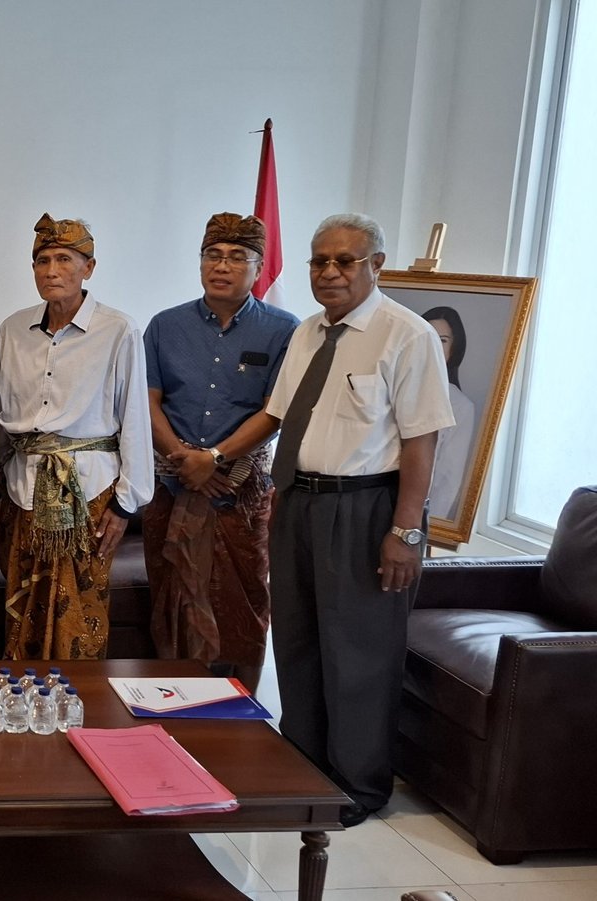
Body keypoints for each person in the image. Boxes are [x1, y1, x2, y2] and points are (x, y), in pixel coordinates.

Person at [266, 213, 453, 827]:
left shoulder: (407, 334)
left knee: (359, 654)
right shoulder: (306, 333)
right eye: (319, 261)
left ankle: (356, 786)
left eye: (344, 261)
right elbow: (287, 421)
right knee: (297, 642)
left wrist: (406, 531)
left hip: (366, 507)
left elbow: (422, 441)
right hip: (299, 501)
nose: (329, 272)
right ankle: (303, 766)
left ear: (376, 265)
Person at [141, 213, 299, 691]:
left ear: (259, 268)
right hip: (171, 485)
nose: (222, 266)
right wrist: (184, 459)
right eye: (212, 255)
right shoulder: (165, 326)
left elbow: (275, 411)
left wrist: (213, 459)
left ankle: (239, 712)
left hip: (240, 492)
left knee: (242, 602)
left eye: (236, 257)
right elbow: (146, 401)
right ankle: (172, 702)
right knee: (170, 598)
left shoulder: (284, 330)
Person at [0, 214, 154, 661]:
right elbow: (0, 412)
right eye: (42, 261)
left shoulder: (118, 330)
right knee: (22, 605)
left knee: (79, 612)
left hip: (89, 494)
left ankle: (78, 695)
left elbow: (135, 417)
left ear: (89, 268)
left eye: (64, 259)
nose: (52, 270)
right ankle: (23, 695)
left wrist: (126, 504)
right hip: (21, 490)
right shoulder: (13, 329)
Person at [422, 306, 475, 521]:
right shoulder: (390, 384)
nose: (433, 346)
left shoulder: (460, 406)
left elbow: (448, 480)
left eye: (442, 340)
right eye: (428, 337)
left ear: (454, 349)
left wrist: (426, 527)